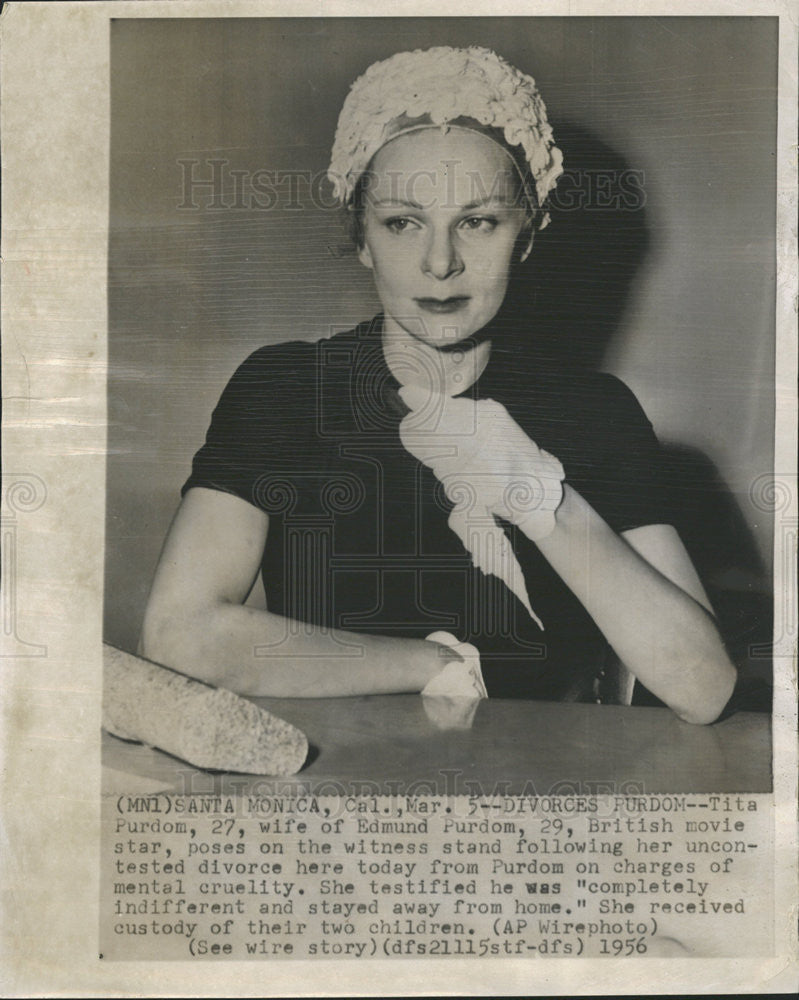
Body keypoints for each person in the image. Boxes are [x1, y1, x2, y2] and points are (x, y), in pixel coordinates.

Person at [139, 45, 736, 724]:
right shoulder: (283, 389)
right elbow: (178, 635)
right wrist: (430, 666)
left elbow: (703, 686)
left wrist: (542, 498)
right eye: (402, 222)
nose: (440, 262)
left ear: (528, 234)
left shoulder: (590, 411)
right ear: (361, 238)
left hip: (549, 795)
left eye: (477, 222)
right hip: (337, 788)